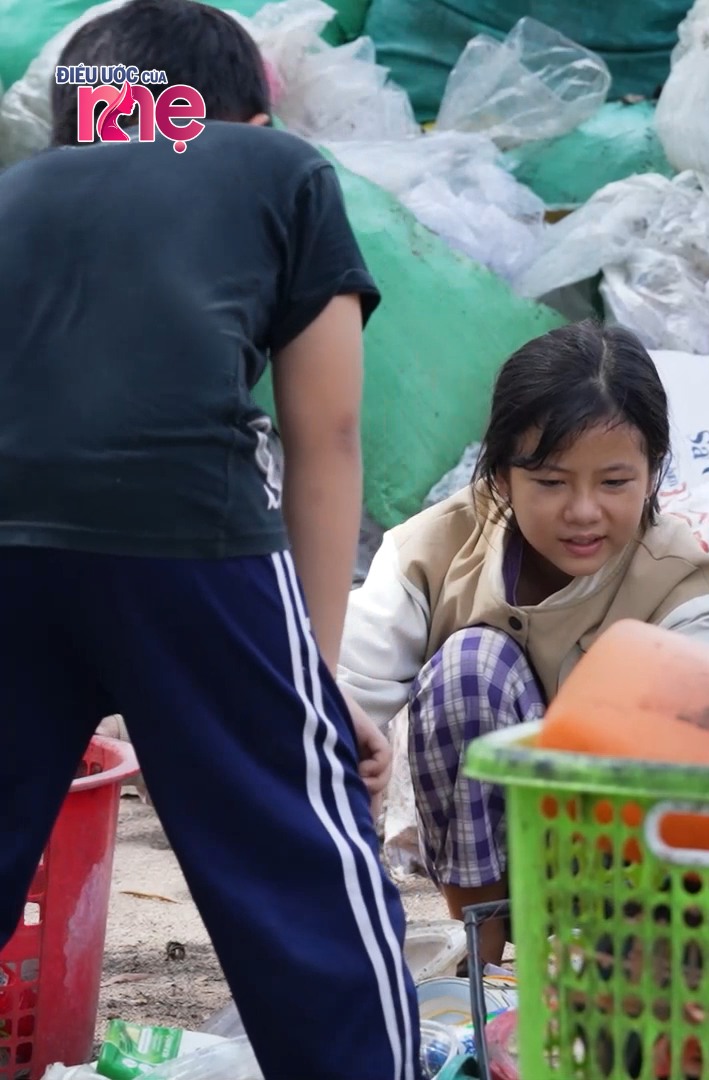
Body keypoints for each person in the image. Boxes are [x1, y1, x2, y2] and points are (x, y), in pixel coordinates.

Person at [0, 2, 419, 1076]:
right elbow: (324, 437)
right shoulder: (276, 169)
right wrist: (317, 694)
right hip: (181, 523)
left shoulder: (14, 194)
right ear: (236, 111)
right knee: (296, 862)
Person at [337, 320, 709, 966]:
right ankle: (482, 964)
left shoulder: (682, 581)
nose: (582, 511)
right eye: (550, 482)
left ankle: (618, 969)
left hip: (630, 871)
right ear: (500, 477)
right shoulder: (435, 551)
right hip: (495, 865)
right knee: (472, 671)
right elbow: (336, 692)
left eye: (614, 482)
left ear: (653, 472)